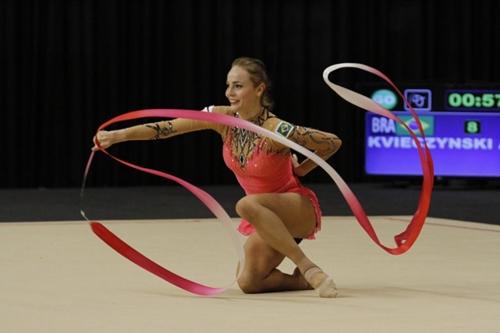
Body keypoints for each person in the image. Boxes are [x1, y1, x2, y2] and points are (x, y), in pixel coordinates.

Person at [93, 57, 342, 297]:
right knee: (249, 281)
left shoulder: (274, 128)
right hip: (263, 217)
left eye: (238, 86)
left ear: (259, 89)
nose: (229, 92)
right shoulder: (222, 119)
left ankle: (309, 268)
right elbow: (168, 128)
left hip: (295, 208)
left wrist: (301, 170)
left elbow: (332, 142)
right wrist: (117, 136)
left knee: (245, 204)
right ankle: (300, 280)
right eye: (228, 85)